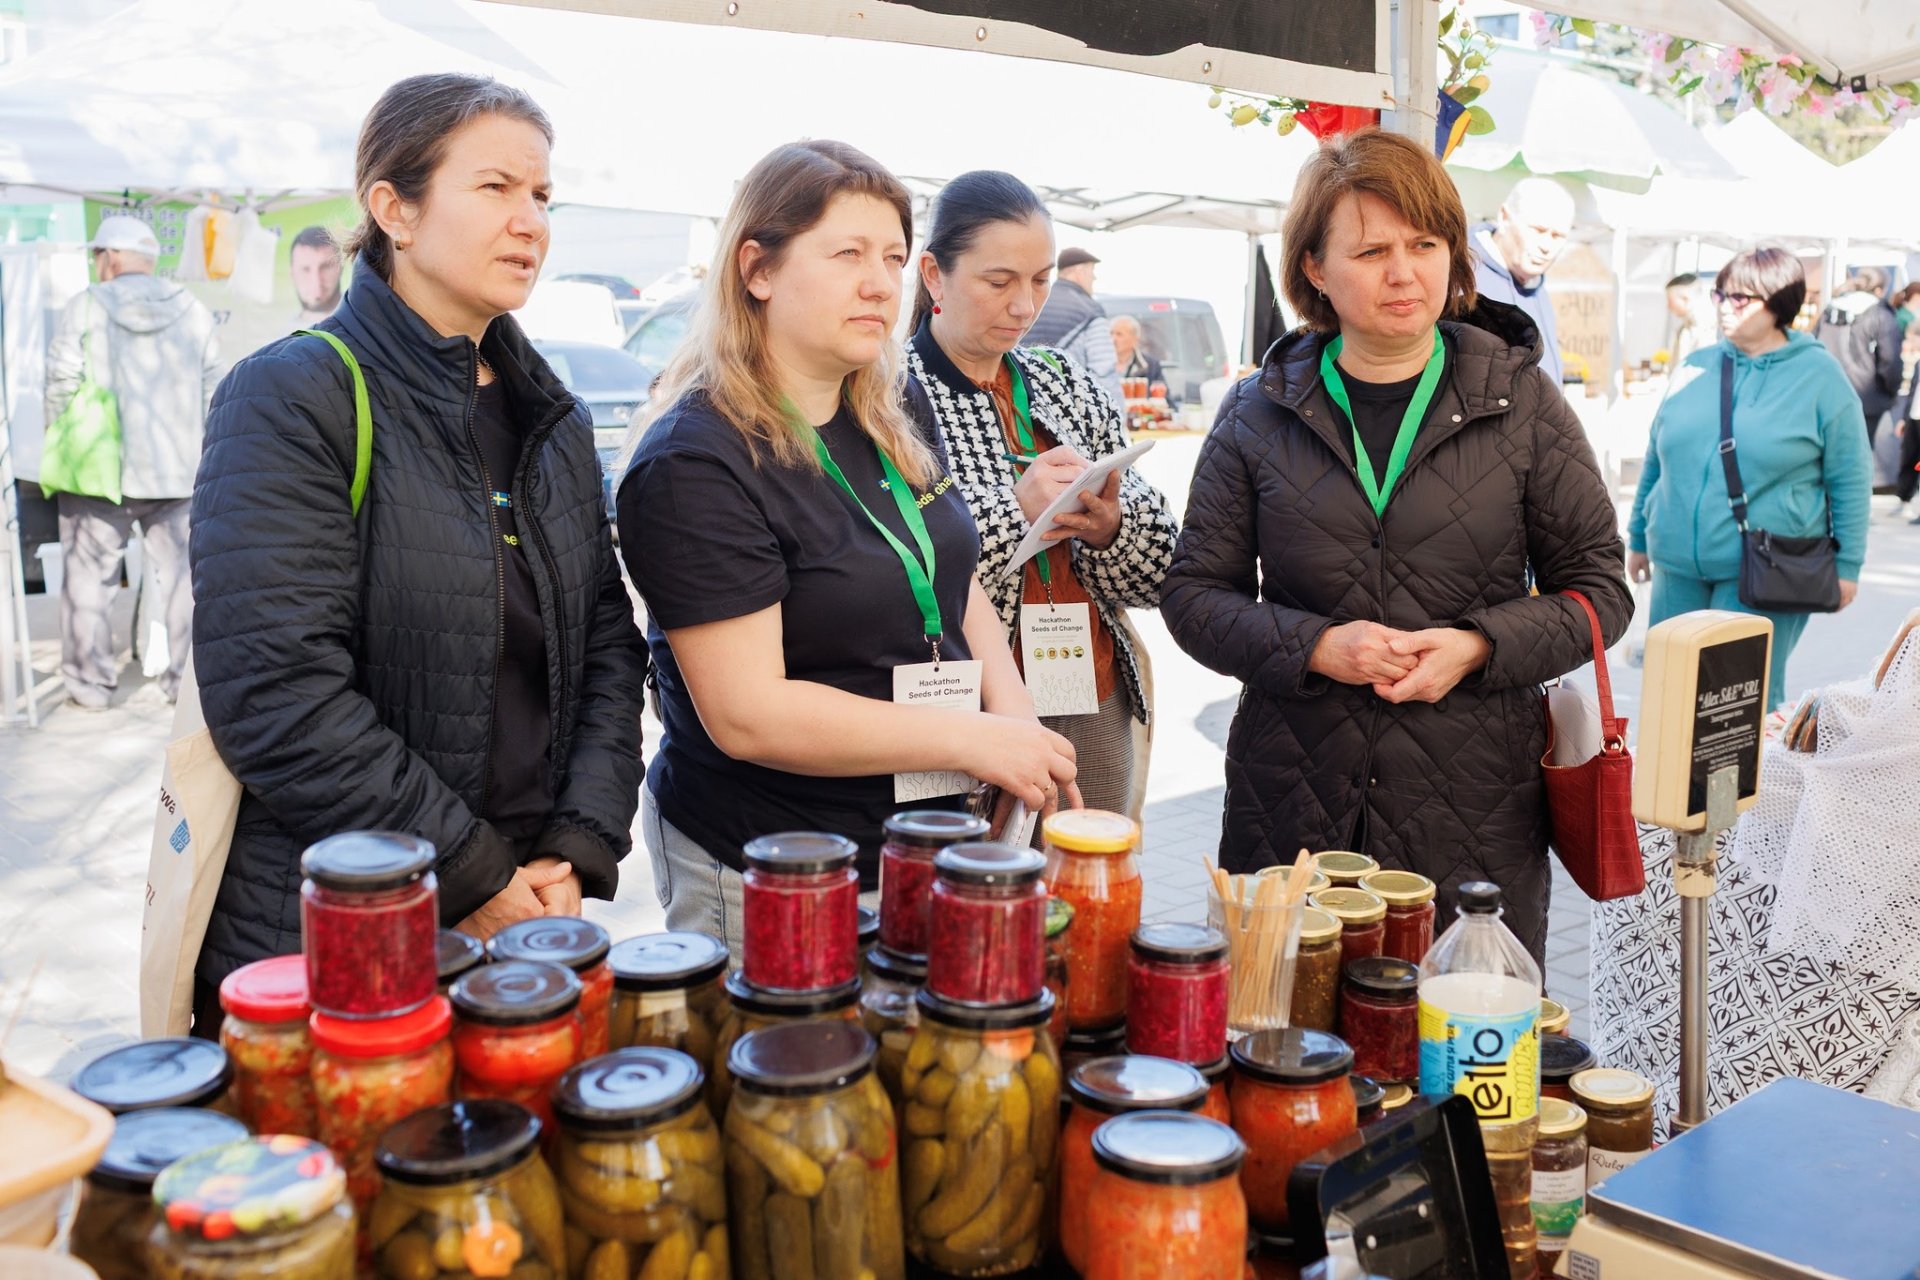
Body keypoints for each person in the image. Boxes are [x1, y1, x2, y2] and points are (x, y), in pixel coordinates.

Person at [188, 74, 648, 1032]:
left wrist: (577, 842)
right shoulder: (293, 396)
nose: (530, 221)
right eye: (496, 189)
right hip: (349, 943)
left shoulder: (548, 414)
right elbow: (277, 694)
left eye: (542, 197)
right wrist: (469, 874)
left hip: (530, 920)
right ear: (392, 208)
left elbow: (610, 639)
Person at [1161, 128, 1629, 963]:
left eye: (1425, 243)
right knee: (1283, 1050)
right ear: (1314, 268)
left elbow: (1600, 591)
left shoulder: (1521, 403)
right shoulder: (1256, 413)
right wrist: (1316, 646)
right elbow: (1195, 598)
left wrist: (1480, 645)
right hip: (1291, 802)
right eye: (1371, 250)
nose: (1405, 271)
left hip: (1476, 804)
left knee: (1464, 1065)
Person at [616, 142, 1078, 948]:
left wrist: (1016, 724)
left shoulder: (889, 400)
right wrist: (972, 738)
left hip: (927, 836)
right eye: (848, 254)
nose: (880, 282)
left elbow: (953, 577)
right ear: (756, 270)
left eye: (895, 257)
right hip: (777, 860)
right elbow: (748, 714)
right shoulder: (695, 458)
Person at [904, 170, 1178, 821]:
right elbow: (887, 566)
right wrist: (1013, 511)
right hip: (951, 700)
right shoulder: (887, 394)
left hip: (1089, 688)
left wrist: (1110, 523)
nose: (1025, 306)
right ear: (934, 276)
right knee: (965, 895)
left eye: (1040, 279)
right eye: (999, 282)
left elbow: (1167, 560)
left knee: (1088, 886)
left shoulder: (1065, 383)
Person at [1628, 246, 1871, 708]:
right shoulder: (1694, 366)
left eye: (1741, 299)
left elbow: (1850, 476)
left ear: (1779, 305)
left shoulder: (1820, 377)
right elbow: (1658, 456)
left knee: (1731, 706)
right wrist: (1639, 533)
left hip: (1765, 570)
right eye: (1721, 294)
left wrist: (1848, 565)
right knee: (1670, 697)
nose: (1724, 306)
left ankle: (1744, 785)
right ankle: (1669, 785)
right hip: (1677, 566)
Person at [44, 214, 220, 709]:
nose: (97, 264)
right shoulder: (193, 309)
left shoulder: (85, 306)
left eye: (98, 255)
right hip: (181, 472)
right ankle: (186, 687)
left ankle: (91, 687)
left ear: (112, 257)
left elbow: (59, 381)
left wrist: (61, 438)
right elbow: (215, 391)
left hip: (101, 474)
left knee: (87, 583)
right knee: (187, 582)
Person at [1469, 177, 1575, 385]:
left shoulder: (1537, 288)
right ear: (1504, 217)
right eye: (1538, 230)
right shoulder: (1461, 274)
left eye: (1558, 236)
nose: (1546, 246)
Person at [1816, 266, 1905, 446]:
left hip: (1828, 392)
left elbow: (1813, 345)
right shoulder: (1880, 314)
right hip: (1867, 399)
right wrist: (1891, 392)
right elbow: (1890, 362)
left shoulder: (1831, 308)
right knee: (1858, 455)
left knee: (1826, 450)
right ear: (1879, 289)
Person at [1024, 246, 1125, 404]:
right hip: (1069, 407)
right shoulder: (1089, 309)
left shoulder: (1035, 302)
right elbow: (1103, 371)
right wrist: (1118, 419)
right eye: (1092, 272)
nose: (1094, 278)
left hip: (1025, 402)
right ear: (1079, 272)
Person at [1110, 314, 1178, 407]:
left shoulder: (1150, 366)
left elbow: (1166, 401)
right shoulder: (1099, 365)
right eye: (1111, 333)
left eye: (1119, 334)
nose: (1113, 339)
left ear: (1134, 339)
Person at [288, 224, 344, 327]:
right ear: (292, 274)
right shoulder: (280, 338)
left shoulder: (368, 313)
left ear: (341, 266)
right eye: (305, 269)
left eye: (326, 267)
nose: (316, 282)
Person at [1895, 319, 1920, 522]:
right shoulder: (1919, 363)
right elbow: (1913, 391)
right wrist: (1904, 419)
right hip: (1914, 416)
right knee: (1909, 458)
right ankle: (1904, 499)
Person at [1665, 272, 1715, 368]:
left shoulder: (1709, 329)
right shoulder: (1685, 328)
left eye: (1670, 300)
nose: (1668, 306)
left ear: (1685, 298)